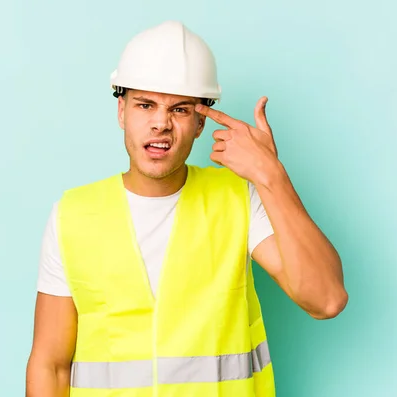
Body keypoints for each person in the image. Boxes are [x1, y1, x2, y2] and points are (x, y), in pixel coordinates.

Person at [25, 20, 348, 397]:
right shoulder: (73, 215)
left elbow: (326, 299)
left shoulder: (239, 198)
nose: (161, 123)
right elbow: (51, 365)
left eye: (179, 110)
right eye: (146, 105)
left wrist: (270, 176)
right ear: (122, 112)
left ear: (199, 123)